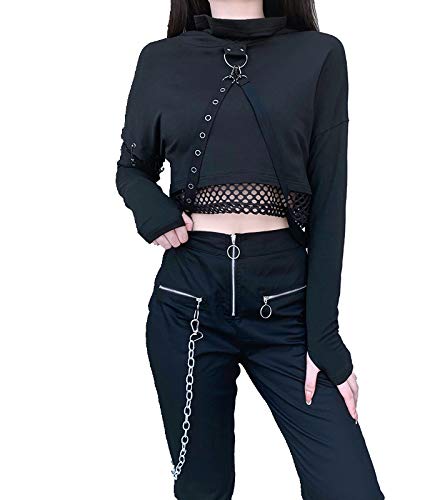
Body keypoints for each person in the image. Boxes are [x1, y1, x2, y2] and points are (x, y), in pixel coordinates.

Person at [116, 0, 384, 498]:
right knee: (204, 489)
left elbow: (330, 204)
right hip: (188, 305)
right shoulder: (160, 59)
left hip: (287, 305)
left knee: (349, 489)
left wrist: (324, 338)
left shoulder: (320, 55)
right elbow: (132, 168)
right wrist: (152, 211)